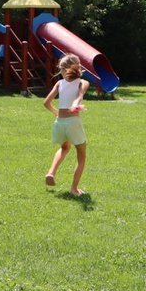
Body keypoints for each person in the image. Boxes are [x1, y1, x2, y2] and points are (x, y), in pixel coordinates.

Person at [43, 55, 90, 196]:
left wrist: (56, 113)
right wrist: (75, 105)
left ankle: (51, 172)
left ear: (62, 69)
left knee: (64, 148)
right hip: (73, 122)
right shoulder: (83, 82)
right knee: (81, 156)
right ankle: (74, 189)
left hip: (59, 122)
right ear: (78, 66)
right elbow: (79, 96)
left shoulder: (59, 84)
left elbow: (46, 103)